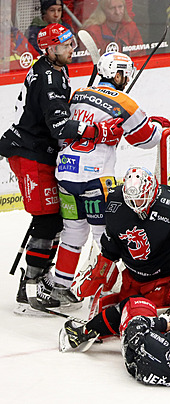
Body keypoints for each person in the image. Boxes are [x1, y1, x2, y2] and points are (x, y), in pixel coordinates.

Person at [0, 24, 115, 314]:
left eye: (69, 43)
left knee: (54, 219)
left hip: (38, 150)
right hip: (29, 153)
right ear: (50, 50)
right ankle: (32, 287)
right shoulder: (50, 77)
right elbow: (61, 126)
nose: (71, 48)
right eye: (64, 45)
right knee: (48, 219)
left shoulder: (52, 69)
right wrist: (97, 131)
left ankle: (39, 282)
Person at [51, 51, 170, 298]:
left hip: (65, 173)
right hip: (94, 177)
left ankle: (59, 288)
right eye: (124, 74)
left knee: (73, 232)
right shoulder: (126, 102)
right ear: (116, 74)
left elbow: (64, 130)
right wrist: (159, 125)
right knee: (105, 235)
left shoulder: (78, 94)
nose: (126, 78)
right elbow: (147, 139)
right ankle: (111, 290)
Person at [67, 166, 170, 328]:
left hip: (164, 282)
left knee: (144, 319)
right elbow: (113, 236)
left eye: (141, 199)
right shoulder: (115, 200)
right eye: (132, 200)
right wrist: (104, 264)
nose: (136, 204)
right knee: (121, 310)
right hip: (132, 278)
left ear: (151, 191)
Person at [60, 296, 170, 386]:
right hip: (159, 364)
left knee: (137, 304)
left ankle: (84, 332)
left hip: (134, 353)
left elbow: (134, 326)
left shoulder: (154, 346)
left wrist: (164, 324)